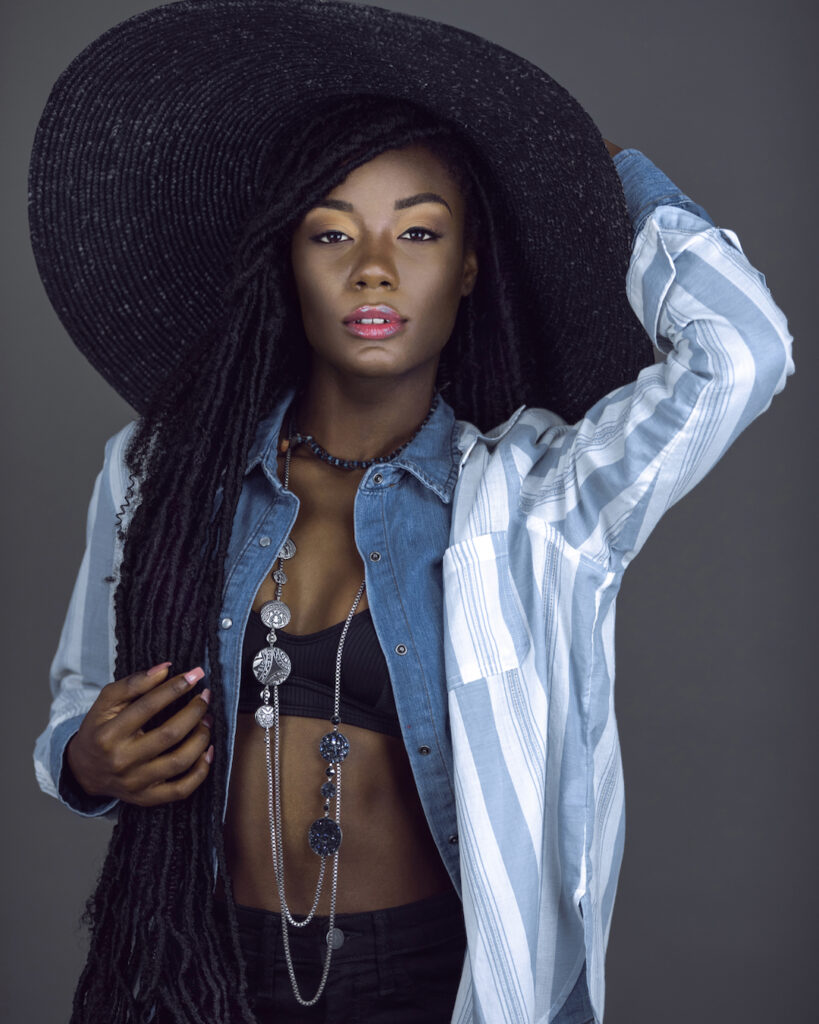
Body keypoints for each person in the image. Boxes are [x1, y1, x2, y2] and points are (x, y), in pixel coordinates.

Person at [29, 1, 794, 1022]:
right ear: (287, 262)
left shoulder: (540, 501)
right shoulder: (158, 479)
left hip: (436, 981)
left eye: (420, 230)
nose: (375, 267)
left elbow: (742, 351)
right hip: (193, 972)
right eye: (331, 231)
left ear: (469, 266)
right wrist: (84, 759)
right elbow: (83, 700)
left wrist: (603, 168)